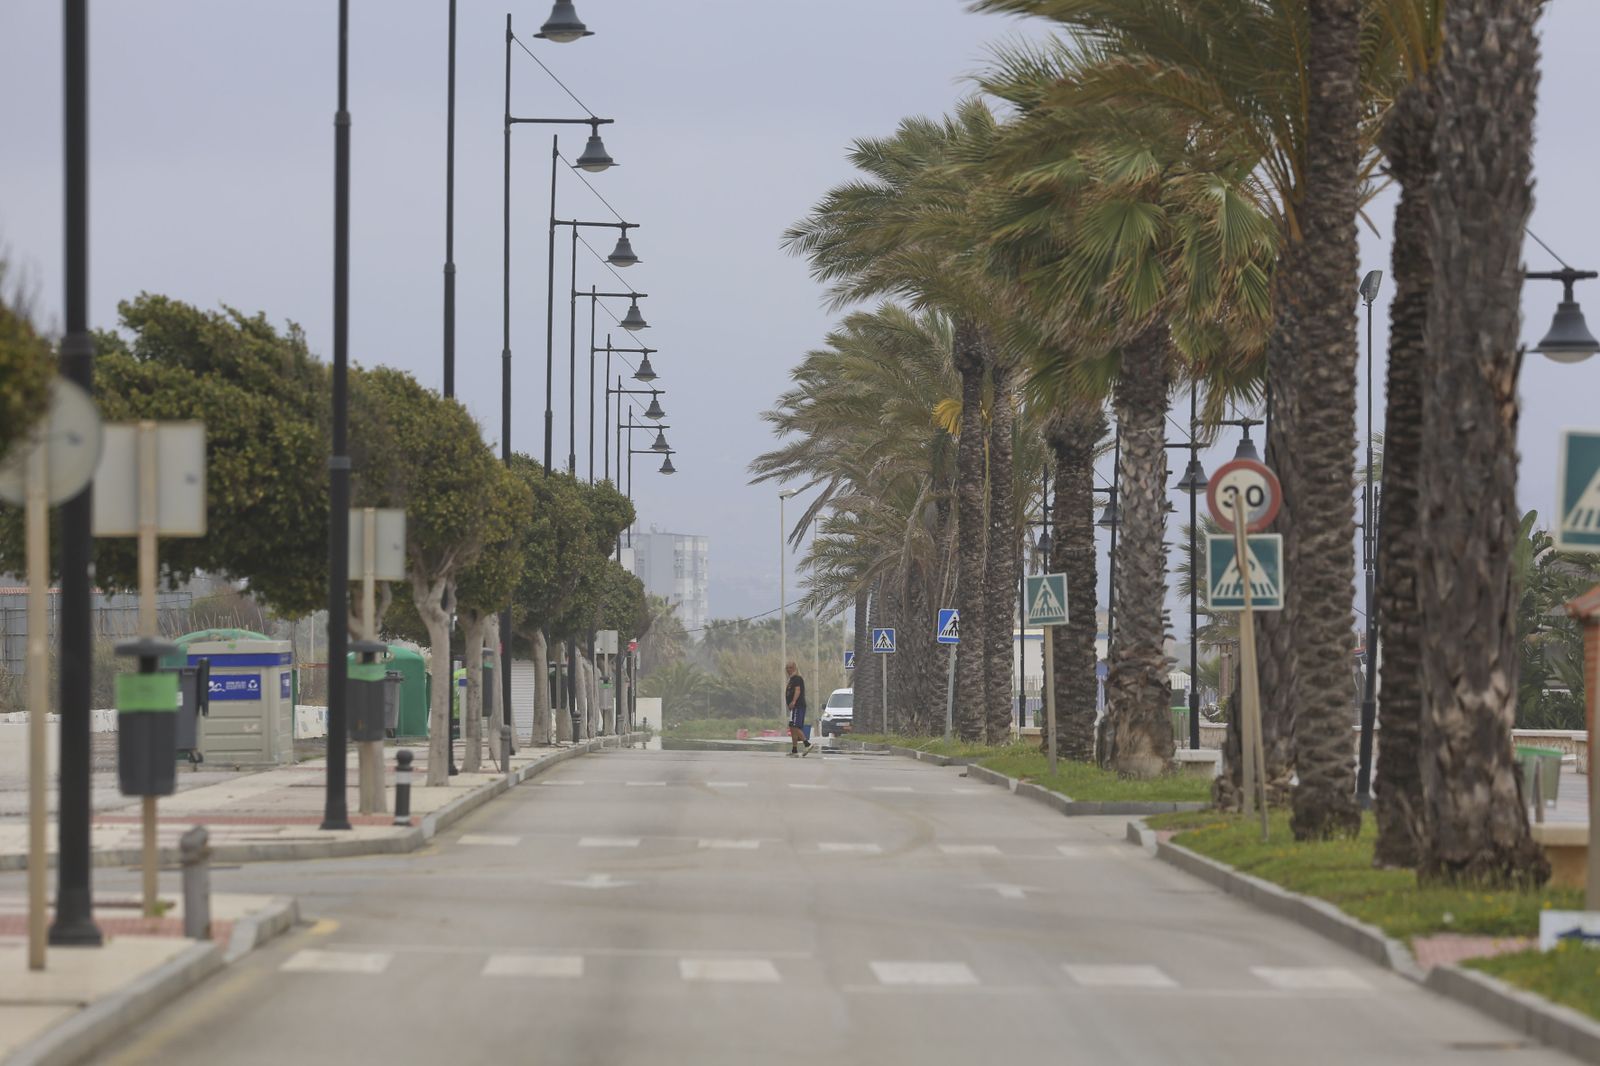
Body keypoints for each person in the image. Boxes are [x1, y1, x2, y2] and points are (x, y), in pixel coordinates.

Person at [784, 660, 812, 757]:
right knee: (792, 727)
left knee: (795, 726)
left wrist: (794, 701)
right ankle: (794, 750)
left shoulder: (797, 678)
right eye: (787, 668)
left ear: (795, 668)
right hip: (793, 708)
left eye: (790, 668)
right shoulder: (791, 680)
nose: (788, 670)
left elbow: (798, 690)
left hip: (798, 706)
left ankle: (807, 744)